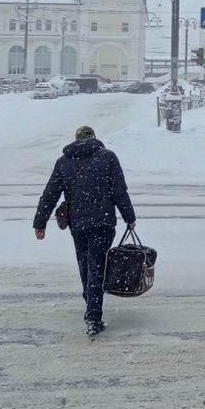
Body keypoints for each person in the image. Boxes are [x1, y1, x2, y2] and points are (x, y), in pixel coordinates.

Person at [33, 125, 136, 337]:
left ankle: (90, 301)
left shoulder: (64, 162)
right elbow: (119, 190)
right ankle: (93, 315)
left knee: (85, 264)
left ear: (76, 140)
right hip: (103, 221)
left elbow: (50, 193)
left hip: (78, 223)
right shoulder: (107, 157)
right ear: (94, 138)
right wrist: (129, 218)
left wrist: (40, 222)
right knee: (97, 265)